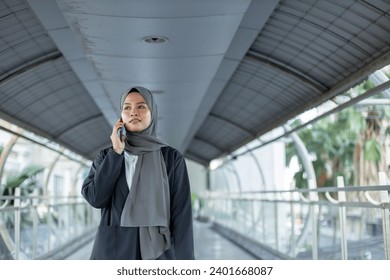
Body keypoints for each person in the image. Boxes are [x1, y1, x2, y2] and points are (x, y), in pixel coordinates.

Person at [81, 86, 195, 260]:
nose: (133, 112)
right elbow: (95, 198)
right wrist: (116, 153)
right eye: (127, 108)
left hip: (158, 252)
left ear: (152, 112)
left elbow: (182, 215)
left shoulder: (171, 158)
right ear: (121, 116)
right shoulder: (107, 156)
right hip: (113, 251)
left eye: (141, 107)